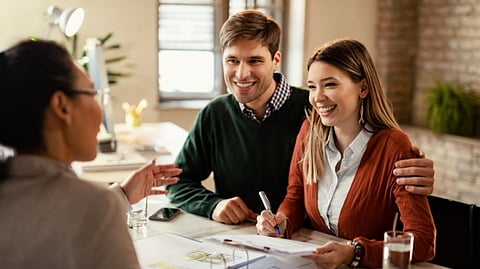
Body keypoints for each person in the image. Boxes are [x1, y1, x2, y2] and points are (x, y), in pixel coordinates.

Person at [167, 9, 436, 225]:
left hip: (310, 240)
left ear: (276, 60)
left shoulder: (317, 112)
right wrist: (214, 205)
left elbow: (368, 155)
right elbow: (179, 183)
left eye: (255, 61)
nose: (241, 73)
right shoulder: (214, 115)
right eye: (232, 60)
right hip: (242, 241)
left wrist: (410, 165)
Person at [0, 39, 181, 268]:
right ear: (62, 106)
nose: (100, 110)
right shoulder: (93, 206)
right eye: (93, 93)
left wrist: (122, 195)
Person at [256, 38, 436, 268]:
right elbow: (295, 197)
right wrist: (280, 222)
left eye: (330, 84)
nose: (317, 97)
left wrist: (356, 252)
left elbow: (423, 242)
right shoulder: (309, 132)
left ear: (363, 88)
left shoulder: (394, 147)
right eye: (312, 86)